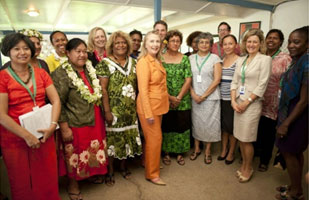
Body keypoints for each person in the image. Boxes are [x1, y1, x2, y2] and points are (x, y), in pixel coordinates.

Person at [0, 33, 61, 200]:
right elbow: (1, 115)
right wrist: (27, 136)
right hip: (15, 138)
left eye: (26, 48)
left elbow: (56, 100)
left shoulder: (41, 73)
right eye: (16, 49)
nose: (22, 52)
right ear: (8, 51)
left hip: (43, 133)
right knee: (22, 181)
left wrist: (53, 125)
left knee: (47, 176)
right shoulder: (2, 77)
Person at [51, 38, 108, 200]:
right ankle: (72, 184)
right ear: (68, 53)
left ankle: (90, 174)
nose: (82, 55)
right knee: (74, 154)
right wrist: (64, 127)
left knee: (91, 151)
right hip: (75, 122)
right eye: (78, 51)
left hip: (94, 119)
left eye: (84, 51)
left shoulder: (90, 69)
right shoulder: (61, 74)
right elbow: (58, 103)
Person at [96, 31, 142, 185]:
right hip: (114, 111)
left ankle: (123, 166)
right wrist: (107, 111)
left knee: (127, 140)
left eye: (123, 43)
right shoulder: (105, 64)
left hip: (130, 110)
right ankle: (109, 171)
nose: (121, 45)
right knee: (113, 141)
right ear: (112, 46)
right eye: (117, 43)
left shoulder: (134, 63)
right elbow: (103, 89)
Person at [230, 29, 272, 183]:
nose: (251, 44)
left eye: (255, 41)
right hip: (238, 103)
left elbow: (262, 85)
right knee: (240, 137)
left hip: (252, 104)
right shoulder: (241, 59)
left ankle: (248, 168)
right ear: (244, 43)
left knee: (247, 139)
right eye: (249, 41)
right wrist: (233, 101)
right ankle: (244, 165)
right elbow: (235, 81)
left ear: (260, 43)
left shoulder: (265, 60)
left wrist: (246, 102)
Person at [275, 26, 308, 200]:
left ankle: (295, 193)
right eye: (290, 41)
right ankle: (296, 186)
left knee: (289, 151)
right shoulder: (297, 60)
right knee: (295, 152)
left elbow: (304, 99)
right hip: (289, 110)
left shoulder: (307, 63)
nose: (291, 45)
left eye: (296, 42)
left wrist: (286, 123)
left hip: (297, 114)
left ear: (307, 44)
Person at [254, 29, 291, 172]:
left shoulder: (285, 58)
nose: (271, 40)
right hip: (257, 99)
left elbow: (288, 81)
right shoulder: (260, 56)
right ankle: (256, 151)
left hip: (274, 102)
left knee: (269, 131)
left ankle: (265, 159)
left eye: (275, 38)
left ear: (281, 41)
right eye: (269, 38)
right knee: (257, 128)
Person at [136, 31, 169, 185]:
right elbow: (143, 90)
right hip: (148, 108)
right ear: (145, 44)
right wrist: (148, 113)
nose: (155, 44)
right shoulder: (143, 62)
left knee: (153, 140)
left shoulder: (156, 60)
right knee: (155, 140)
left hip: (159, 106)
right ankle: (152, 174)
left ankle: (151, 164)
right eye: (152, 41)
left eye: (157, 41)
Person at [189, 32, 222, 165]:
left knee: (209, 124)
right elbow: (188, 79)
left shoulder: (215, 58)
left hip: (210, 97)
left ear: (210, 45)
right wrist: (193, 94)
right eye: (201, 42)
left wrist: (203, 96)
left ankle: (207, 150)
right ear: (197, 44)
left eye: (206, 42)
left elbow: (217, 79)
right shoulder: (191, 58)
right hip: (195, 96)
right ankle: (197, 148)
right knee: (196, 123)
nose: (203, 44)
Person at [161, 30, 192, 166]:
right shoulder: (160, 58)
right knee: (166, 125)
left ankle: (180, 152)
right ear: (167, 42)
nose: (175, 43)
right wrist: (169, 97)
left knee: (181, 125)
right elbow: (158, 80)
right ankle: (166, 152)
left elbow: (188, 79)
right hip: (165, 97)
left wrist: (178, 97)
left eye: (178, 41)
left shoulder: (185, 58)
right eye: (172, 40)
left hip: (182, 99)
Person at [217, 34, 239, 165]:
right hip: (220, 98)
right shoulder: (221, 60)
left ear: (236, 45)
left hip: (232, 99)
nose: (227, 46)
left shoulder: (240, 60)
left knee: (231, 128)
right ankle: (223, 150)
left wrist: (234, 100)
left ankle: (231, 152)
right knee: (223, 127)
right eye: (225, 44)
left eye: (230, 43)